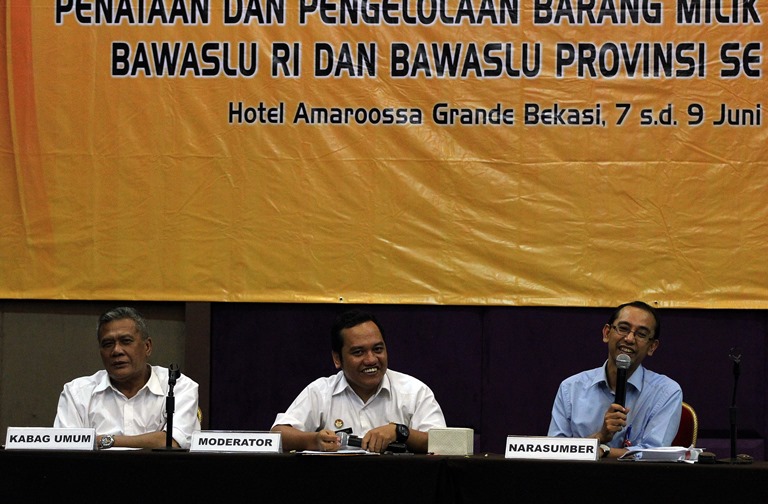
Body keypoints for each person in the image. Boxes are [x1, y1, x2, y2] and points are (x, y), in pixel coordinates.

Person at [271, 309, 446, 453]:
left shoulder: (415, 391)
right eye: (358, 352)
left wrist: (400, 432)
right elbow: (277, 435)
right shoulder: (320, 391)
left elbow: (444, 445)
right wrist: (313, 440)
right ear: (337, 359)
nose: (371, 360)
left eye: (378, 349)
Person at [547, 300, 682, 458]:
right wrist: (600, 436)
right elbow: (553, 452)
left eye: (641, 334)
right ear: (606, 333)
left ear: (652, 347)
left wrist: (604, 451)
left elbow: (654, 455)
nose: (629, 339)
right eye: (623, 328)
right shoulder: (570, 388)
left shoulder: (666, 392)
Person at [54, 306, 200, 450]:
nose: (116, 350)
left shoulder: (178, 386)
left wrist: (104, 440)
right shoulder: (77, 393)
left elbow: (173, 442)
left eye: (126, 341)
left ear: (147, 347)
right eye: (108, 344)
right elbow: (65, 448)